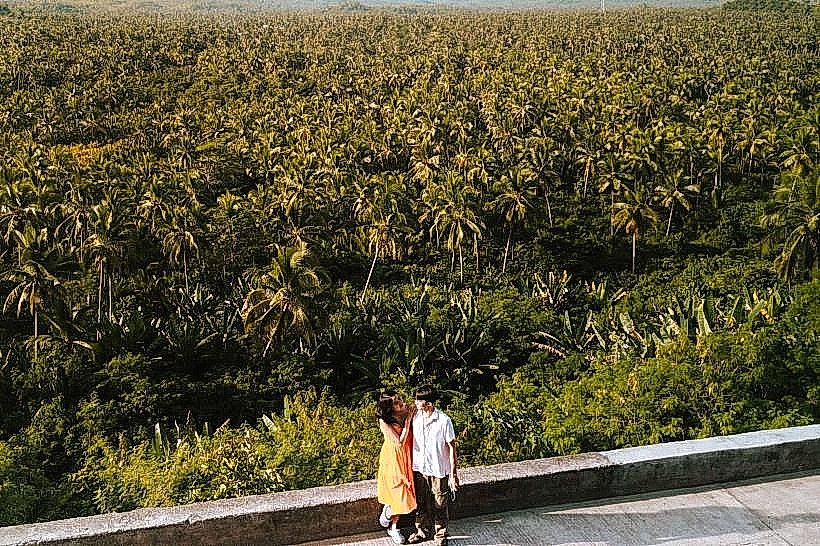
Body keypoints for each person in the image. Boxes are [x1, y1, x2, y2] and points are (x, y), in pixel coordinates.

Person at [408, 385, 458, 546]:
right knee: (421, 502)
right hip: (419, 469)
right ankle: (421, 530)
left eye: (418, 400)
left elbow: (452, 448)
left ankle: (440, 534)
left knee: (440, 503)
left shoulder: (444, 421)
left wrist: (453, 474)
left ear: (428, 403)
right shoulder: (415, 417)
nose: (415, 402)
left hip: (438, 470)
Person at [376, 391, 417, 544]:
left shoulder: (407, 409)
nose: (401, 402)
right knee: (400, 492)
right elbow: (398, 442)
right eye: (396, 402)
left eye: (399, 399)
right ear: (389, 408)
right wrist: (407, 421)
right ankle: (393, 526)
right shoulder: (384, 421)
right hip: (393, 459)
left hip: (408, 455)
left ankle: (390, 515)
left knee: (407, 491)